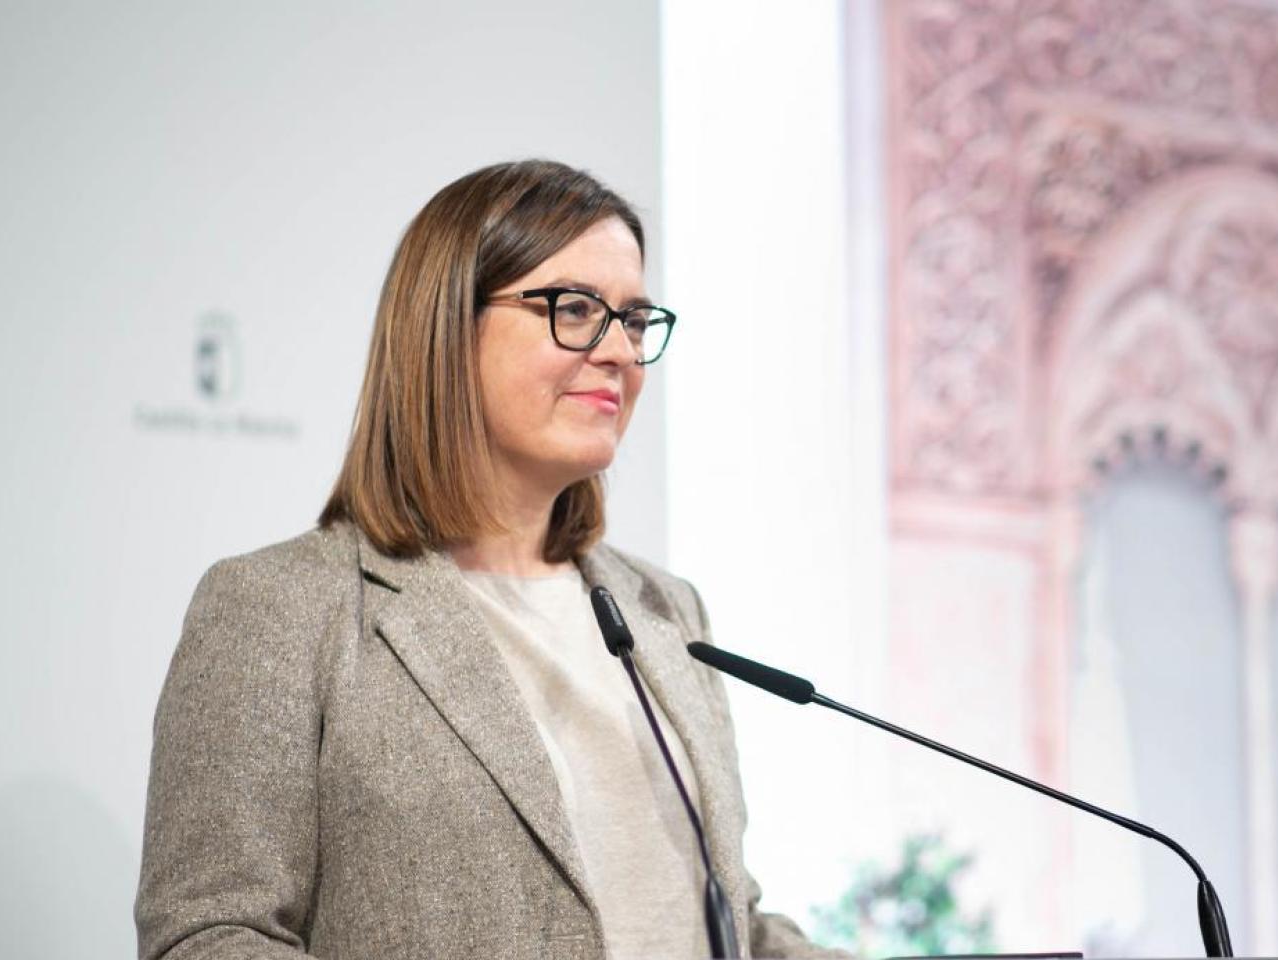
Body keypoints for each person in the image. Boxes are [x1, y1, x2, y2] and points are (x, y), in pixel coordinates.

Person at [135, 159, 842, 960]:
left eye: (637, 321)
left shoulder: (667, 611)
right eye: (576, 309)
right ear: (443, 327)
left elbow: (730, 924)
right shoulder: (281, 608)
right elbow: (209, 937)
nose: (620, 353)